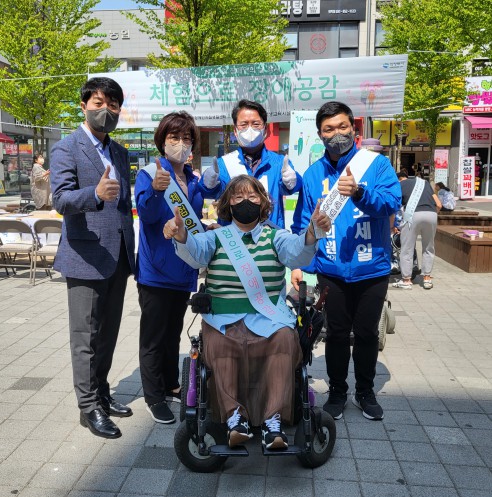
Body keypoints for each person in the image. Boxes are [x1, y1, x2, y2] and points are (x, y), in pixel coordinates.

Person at [164, 175, 330, 449]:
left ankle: (273, 420)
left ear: (263, 203)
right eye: (238, 197)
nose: (245, 202)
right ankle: (234, 418)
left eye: (252, 197)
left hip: (269, 318)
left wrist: (312, 232)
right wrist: (181, 234)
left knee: (284, 340)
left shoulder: (276, 236)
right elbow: (196, 253)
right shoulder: (215, 237)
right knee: (220, 345)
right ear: (228, 203)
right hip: (223, 319)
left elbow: (296, 253)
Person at [291, 101, 401, 421]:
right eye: (328, 129)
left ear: (354, 128)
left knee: (366, 333)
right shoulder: (313, 174)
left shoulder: (376, 165)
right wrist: (300, 264)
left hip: (372, 268)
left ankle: (365, 392)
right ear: (320, 135)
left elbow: (392, 203)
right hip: (332, 269)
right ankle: (338, 391)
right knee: (336, 334)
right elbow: (303, 223)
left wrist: (360, 193)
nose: (336, 133)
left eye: (342, 126)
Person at [50, 77, 135, 439]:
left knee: (109, 333)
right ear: (84, 105)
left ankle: (101, 391)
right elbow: (60, 200)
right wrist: (95, 194)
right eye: (99, 103)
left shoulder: (120, 152)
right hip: (84, 256)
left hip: (118, 255)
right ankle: (88, 407)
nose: (106, 111)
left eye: (113, 105)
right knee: (86, 335)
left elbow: (125, 204)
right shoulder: (66, 148)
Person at [134, 111, 206, 424]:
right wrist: (155, 189)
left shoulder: (193, 179)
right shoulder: (150, 173)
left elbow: (194, 220)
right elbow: (147, 214)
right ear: (162, 141)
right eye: (174, 137)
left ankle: (170, 383)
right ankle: (154, 396)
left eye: (186, 138)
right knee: (153, 337)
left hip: (183, 269)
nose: (181, 143)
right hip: (156, 272)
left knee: (173, 333)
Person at [199, 99, 302, 228]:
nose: (250, 129)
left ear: (265, 129)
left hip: (270, 235)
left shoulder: (279, 163)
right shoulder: (223, 164)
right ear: (235, 131)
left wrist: (293, 182)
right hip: (234, 237)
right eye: (244, 124)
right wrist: (208, 185)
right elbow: (209, 192)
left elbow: (292, 188)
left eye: (255, 124)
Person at [392, 171, 441, 290]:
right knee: (429, 247)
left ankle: (406, 280)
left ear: (399, 179)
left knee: (407, 248)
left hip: (413, 216)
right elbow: (439, 205)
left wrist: (394, 225)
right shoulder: (424, 182)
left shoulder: (399, 185)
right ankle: (427, 279)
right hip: (431, 215)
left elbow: (395, 207)